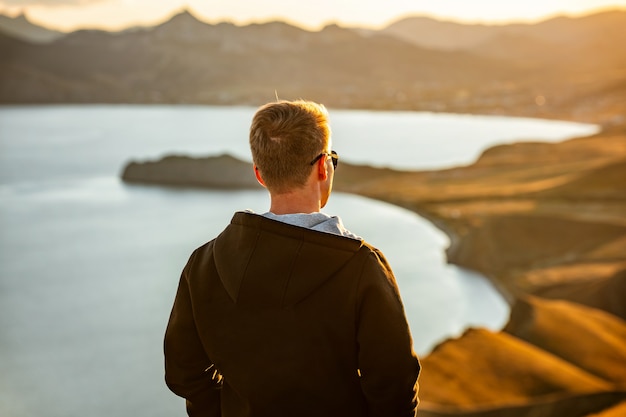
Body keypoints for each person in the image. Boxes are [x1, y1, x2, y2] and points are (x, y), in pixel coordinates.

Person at [164, 99, 420, 417]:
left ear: (259, 173)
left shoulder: (203, 264)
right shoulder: (361, 266)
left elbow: (183, 372)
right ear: (322, 167)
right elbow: (394, 389)